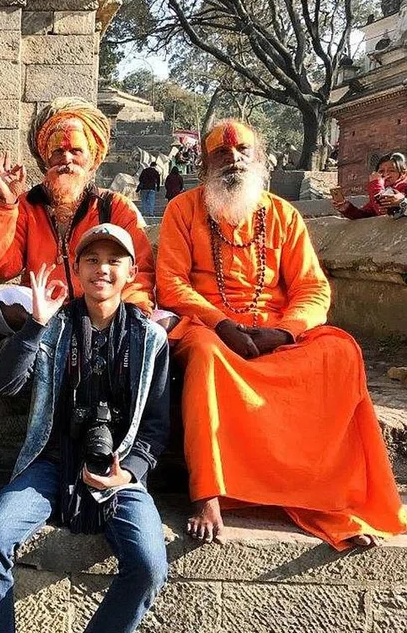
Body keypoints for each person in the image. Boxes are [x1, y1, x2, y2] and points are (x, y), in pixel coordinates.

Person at [156, 119, 407, 549]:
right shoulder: (183, 209)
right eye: (222, 154)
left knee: (340, 351)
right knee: (205, 356)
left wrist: (285, 332)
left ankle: (325, 495)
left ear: (259, 161)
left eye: (243, 152)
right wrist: (220, 323)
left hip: (275, 331)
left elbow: (312, 287)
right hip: (209, 328)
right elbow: (171, 283)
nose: (234, 160)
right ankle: (209, 492)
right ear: (205, 166)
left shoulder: (283, 215)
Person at [0, 224, 170, 633]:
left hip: (119, 468)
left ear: (131, 273)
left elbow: (155, 427)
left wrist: (129, 471)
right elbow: (3, 385)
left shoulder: (150, 339)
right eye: (92, 260)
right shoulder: (55, 326)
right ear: (76, 269)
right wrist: (34, 325)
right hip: (52, 462)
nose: (102, 269)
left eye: (114, 261)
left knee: (149, 565)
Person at [0, 96, 155, 337]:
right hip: (45, 308)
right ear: (46, 158)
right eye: (58, 151)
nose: (66, 160)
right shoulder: (27, 204)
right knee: (4, 302)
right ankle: (65, 336)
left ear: (91, 159)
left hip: (101, 306)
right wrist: (6, 204)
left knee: (157, 324)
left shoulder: (115, 206)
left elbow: (140, 272)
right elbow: (0, 270)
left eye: (76, 151)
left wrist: (132, 313)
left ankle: (72, 337)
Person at [332, 152, 407, 219]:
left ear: (403, 173)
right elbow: (365, 215)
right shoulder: (385, 189)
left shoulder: (404, 188)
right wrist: (346, 208)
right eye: (381, 171)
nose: (385, 174)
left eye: (391, 170)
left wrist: (375, 184)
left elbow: (381, 210)